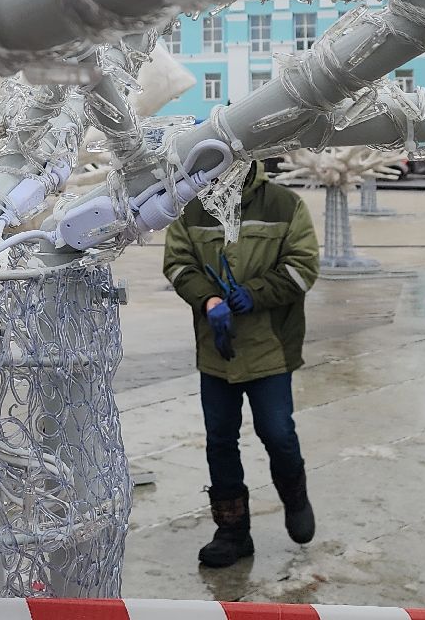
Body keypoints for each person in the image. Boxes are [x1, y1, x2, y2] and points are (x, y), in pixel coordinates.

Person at [162, 160, 321, 568]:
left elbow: (303, 267)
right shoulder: (192, 207)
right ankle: (232, 532)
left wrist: (257, 292)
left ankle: (295, 496)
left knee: (277, 431)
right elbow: (179, 263)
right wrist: (209, 299)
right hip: (217, 349)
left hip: (270, 346)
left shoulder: (284, 205)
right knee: (220, 440)